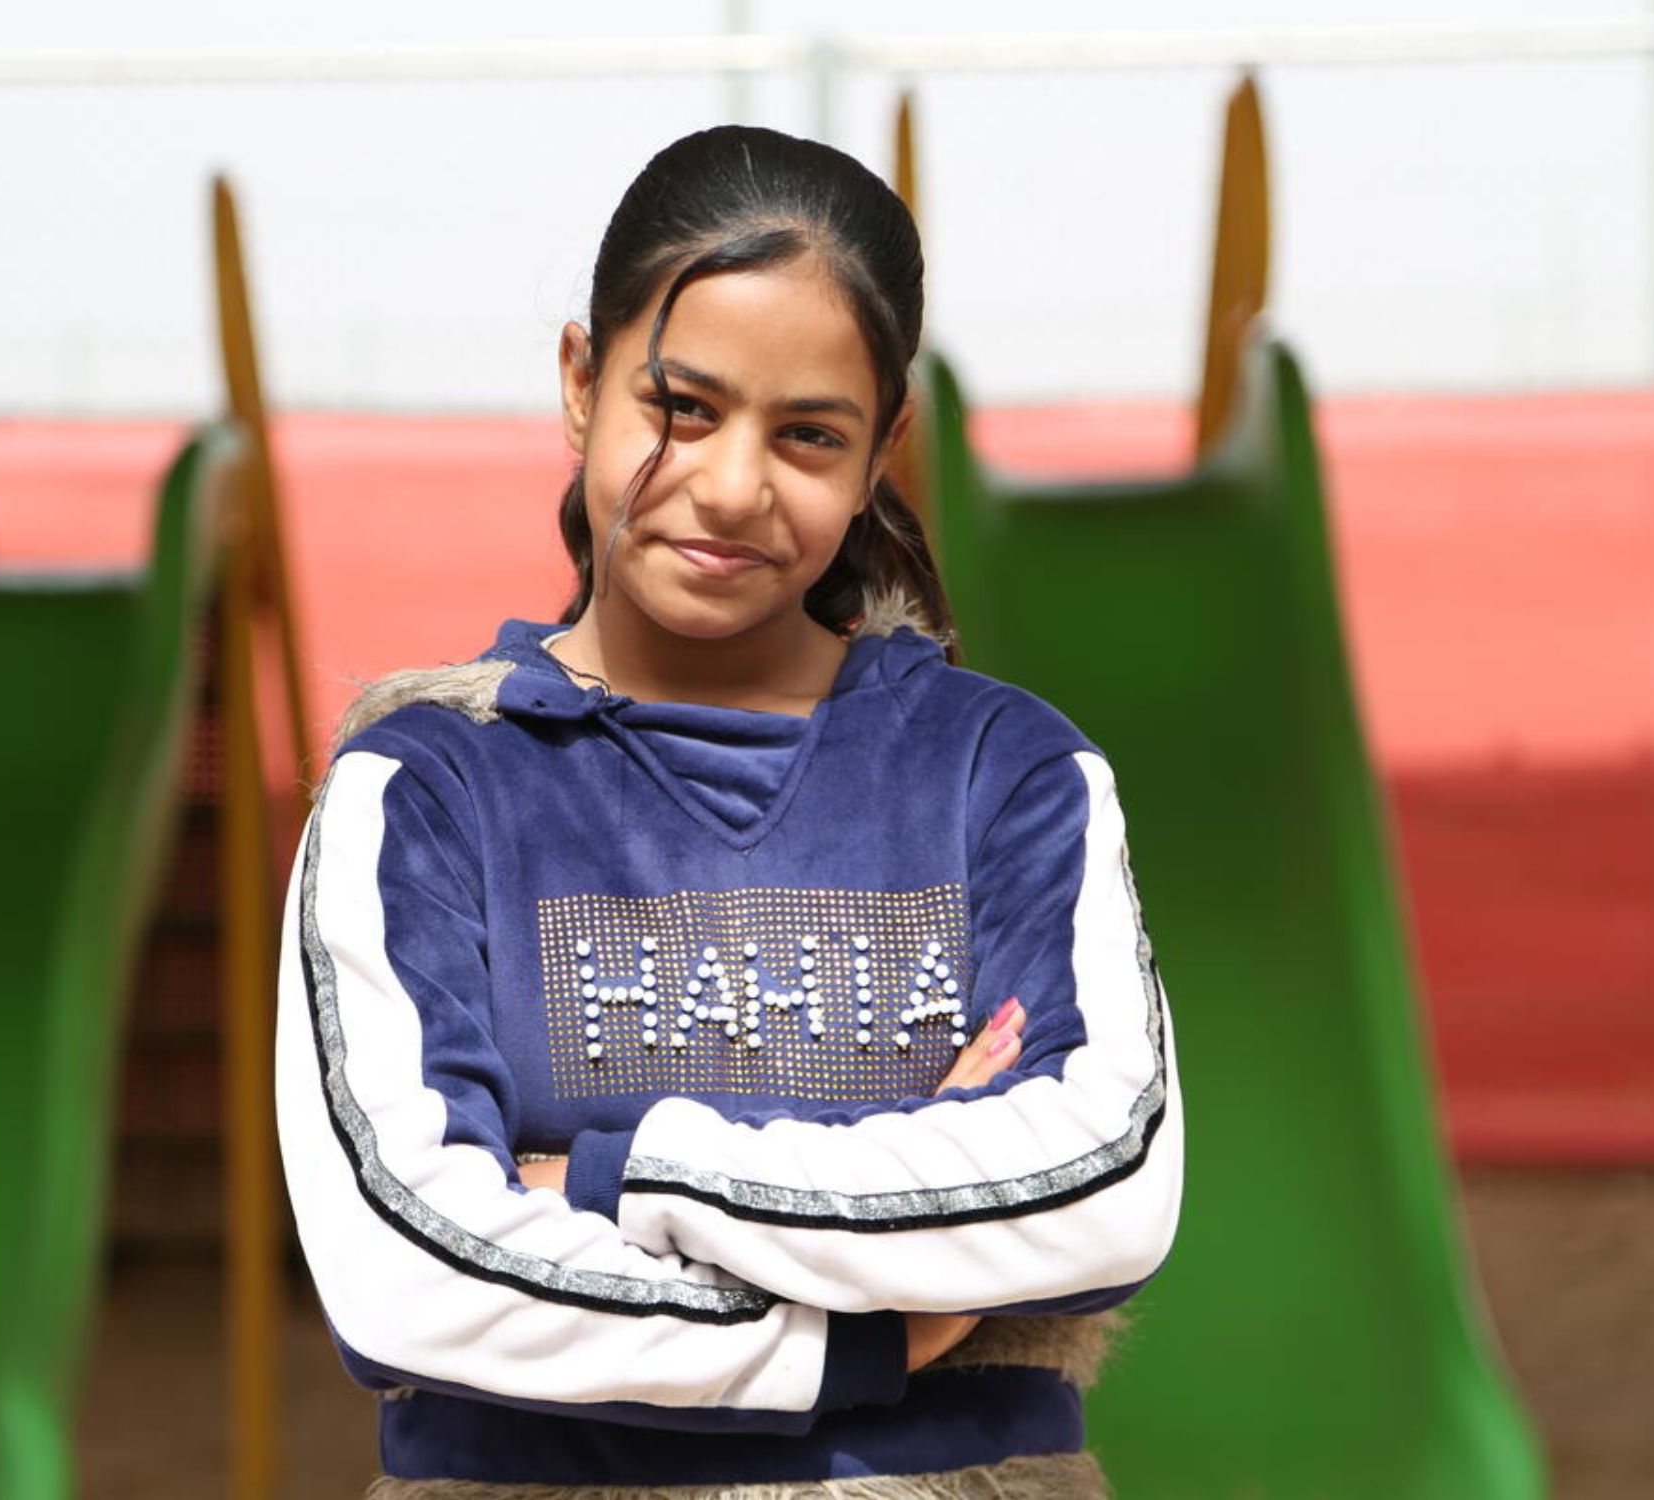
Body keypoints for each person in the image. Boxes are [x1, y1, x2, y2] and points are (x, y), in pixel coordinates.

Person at [275, 124, 1183, 1500]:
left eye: (807, 434)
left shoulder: (1003, 775)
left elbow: (1101, 1180)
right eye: (682, 407)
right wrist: (862, 1337)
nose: (733, 483)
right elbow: (409, 1272)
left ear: (882, 447)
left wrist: (623, 1174)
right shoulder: (424, 794)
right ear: (581, 381)